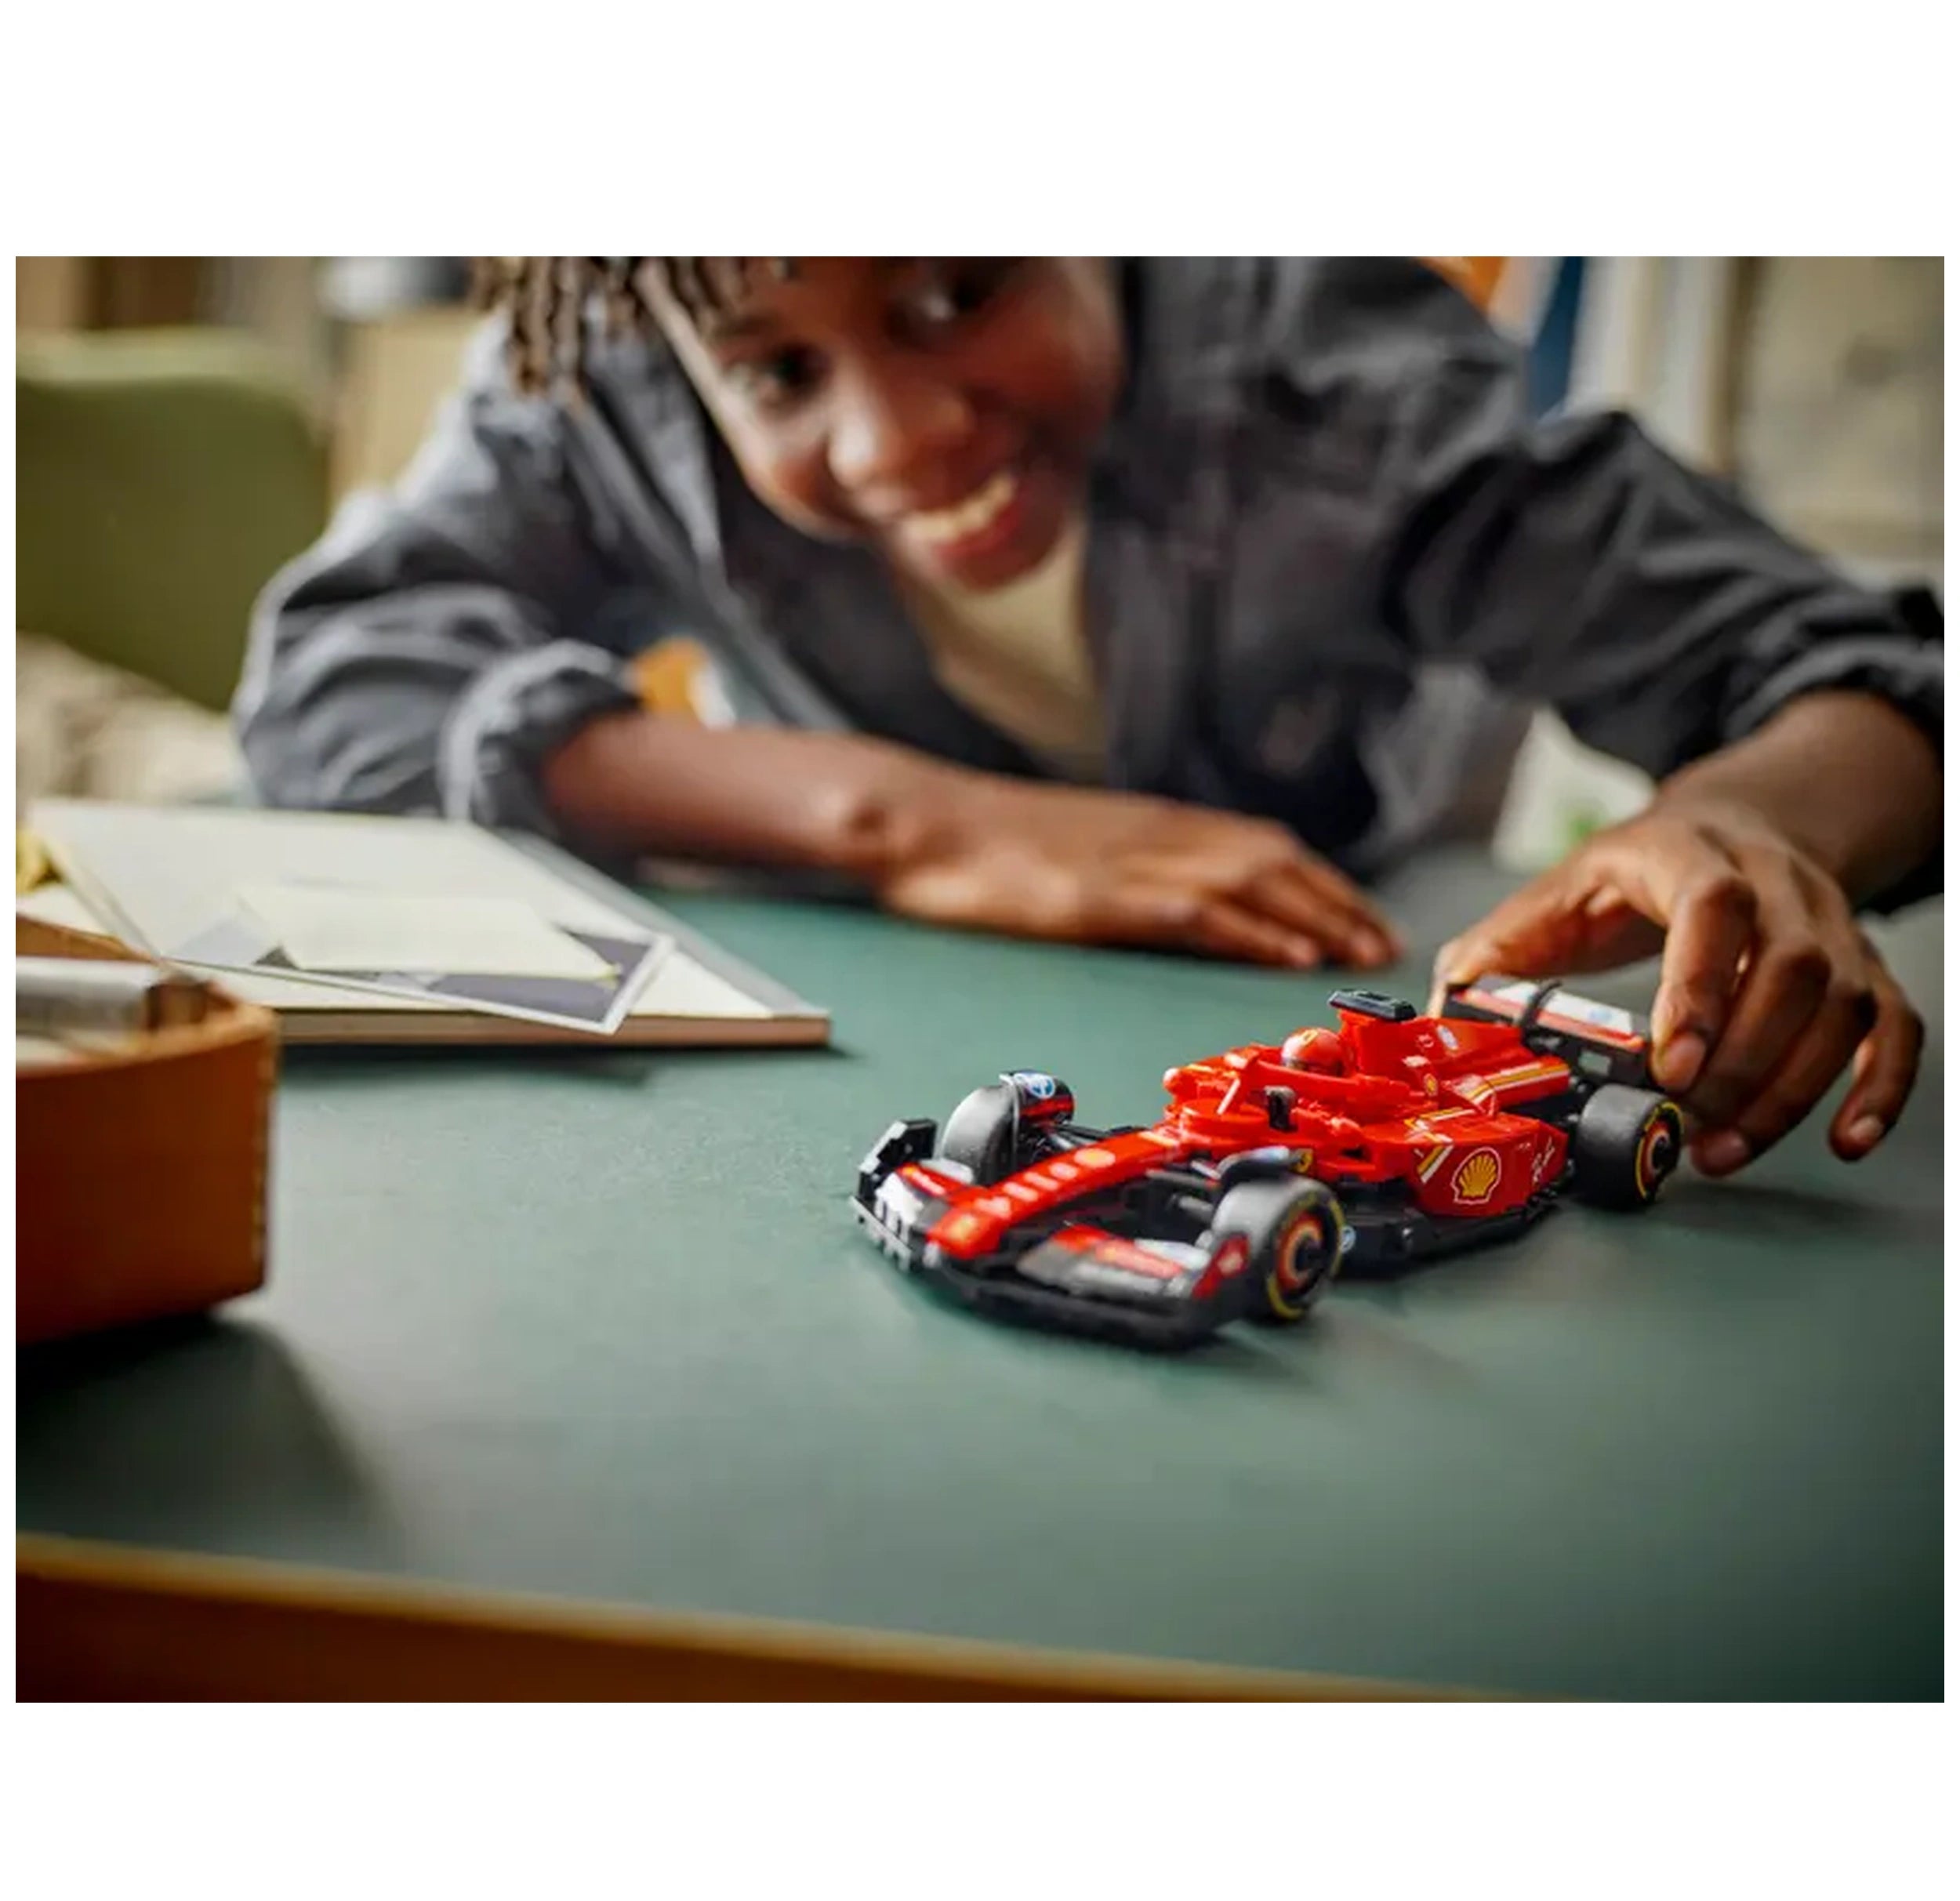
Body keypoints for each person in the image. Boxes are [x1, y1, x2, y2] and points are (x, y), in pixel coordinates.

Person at [235, 258, 1942, 1177]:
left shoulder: (1328, 361)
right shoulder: (618, 341)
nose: (897, 442)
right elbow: (330, 676)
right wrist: (901, 820)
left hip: (1356, 946)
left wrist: (1748, 819)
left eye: (956, 293)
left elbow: (1868, 686)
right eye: (778, 374)